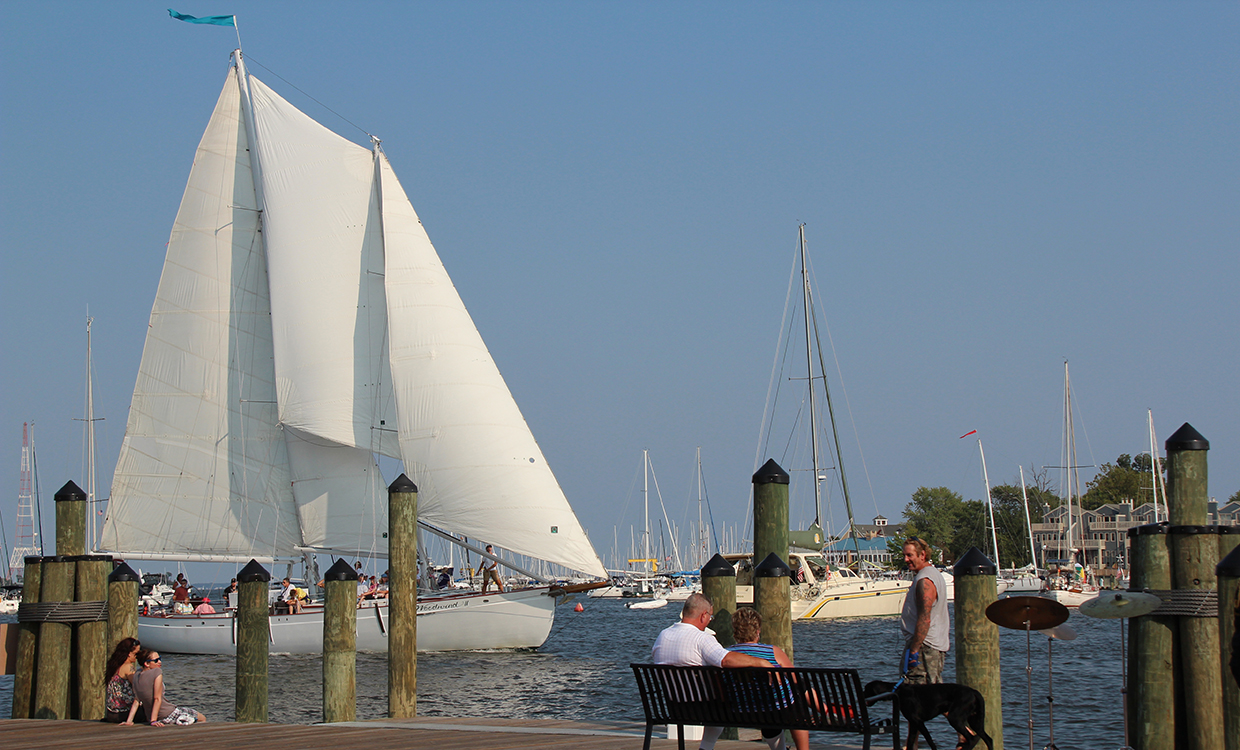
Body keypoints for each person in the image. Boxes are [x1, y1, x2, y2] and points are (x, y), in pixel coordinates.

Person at [652, 593, 773, 750]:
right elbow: (725, 660)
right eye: (710, 616)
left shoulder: (663, 636)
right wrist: (762, 662)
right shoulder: (701, 638)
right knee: (766, 708)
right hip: (702, 708)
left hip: (672, 708)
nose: (710, 620)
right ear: (703, 615)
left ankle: (706, 748)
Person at [727, 608, 811, 750]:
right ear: (758, 631)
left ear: (735, 632)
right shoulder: (772, 651)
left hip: (741, 710)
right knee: (796, 694)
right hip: (774, 710)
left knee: (767, 703)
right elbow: (794, 677)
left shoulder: (726, 654)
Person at [900, 537, 949, 685]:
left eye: (910, 555)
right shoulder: (932, 575)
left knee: (920, 694)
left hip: (924, 648)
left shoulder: (925, 581)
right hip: (928, 645)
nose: (906, 559)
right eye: (904, 555)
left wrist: (914, 650)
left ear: (922, 555)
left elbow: (924, 618)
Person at [134, 650, 206, 726]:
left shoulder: (137, 674)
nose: (159, 662)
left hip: (150, 716)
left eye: (160, 659)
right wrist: (153, 721)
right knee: (202, 718)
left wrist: (129, 721)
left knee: (189, 714)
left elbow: (136, 700)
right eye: (156, 660)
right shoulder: (156, 672)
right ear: (147, 664)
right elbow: (157, 698)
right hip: (167, 714)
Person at [103, 637, 144, 724]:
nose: (137, 657)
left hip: (111, 714)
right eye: (136, 653)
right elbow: (139, 686)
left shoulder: (114, 666)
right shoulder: (128, 667)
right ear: (129, 654)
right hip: (124, 713)